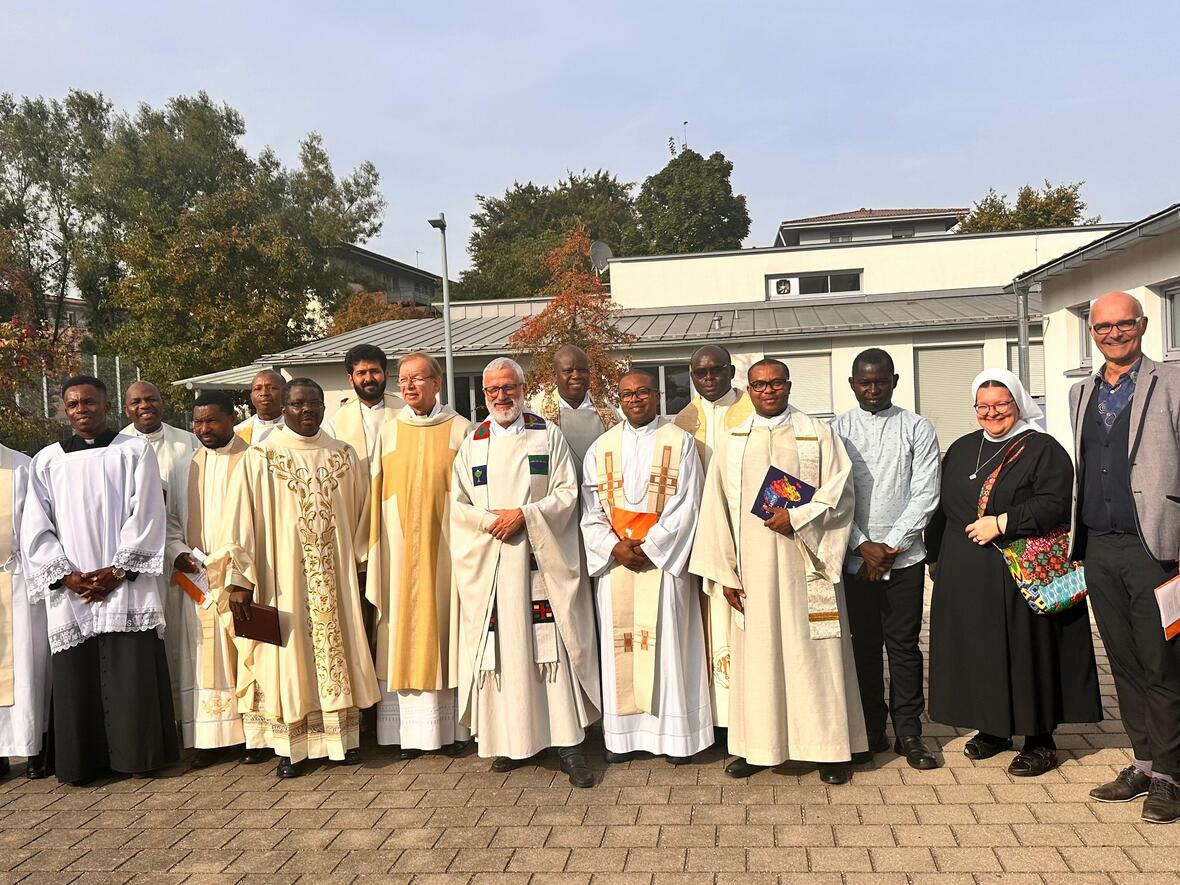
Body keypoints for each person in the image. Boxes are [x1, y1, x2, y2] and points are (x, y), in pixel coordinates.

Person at [690, 359, 867, 784]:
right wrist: (724, 573)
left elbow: (841, 493)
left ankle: (829, 750)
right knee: (760, 657)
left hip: (806, 565)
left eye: (775, 383)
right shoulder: (733, 440)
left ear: (789, 385)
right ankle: (760, 748)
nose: (768, 391)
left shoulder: (818, 433)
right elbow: (713, 507)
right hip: (752, 570)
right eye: (759, 385)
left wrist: (799, 516)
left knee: (816, 657)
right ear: (748, 389)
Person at [926, 369, 1101, 778]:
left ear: (1018, 403)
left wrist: (1003, 521)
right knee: (981, 651)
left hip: (1019, 571)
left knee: (1026, 651)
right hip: (967, 571)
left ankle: (1040, 741)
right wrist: (935, 556)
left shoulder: (1042, 449)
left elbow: (1058, 503)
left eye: (1001, 404)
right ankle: (994, 728)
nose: (992, 413)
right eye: (983, 406)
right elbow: (943, 507)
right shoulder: (963, 447)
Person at [209, 378, 380, 778]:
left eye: (314, 404)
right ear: (283, 408)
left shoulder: (345, 456)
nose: (307, 411)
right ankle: (291, 746)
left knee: (336, 652)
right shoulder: (261, 457)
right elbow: (240, 524)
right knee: (288, 657)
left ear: (324, 408)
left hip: (335, 579)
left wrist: (360, 570)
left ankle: (342, 741)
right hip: (281, 579)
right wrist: (239, 580)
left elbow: (362, 520)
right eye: (298, 404)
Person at [22, 375, 179, 785]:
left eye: (88, 402)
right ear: (64, 408)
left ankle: (137, 756)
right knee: (77, 676)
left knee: (131, 670)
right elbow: (36, 527)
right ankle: (82, 762)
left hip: (125, 582)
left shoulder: (134, 451)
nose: (80, 410)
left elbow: (146, 513)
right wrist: (66, 576)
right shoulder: (47, 460)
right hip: (72, 588)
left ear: (105, 404)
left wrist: (118, 570)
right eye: (72, 404)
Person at [451, 357, 600, 788]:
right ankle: (513, 741)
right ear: (484, 395)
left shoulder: (546, 435)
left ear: (523, 387)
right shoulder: (472, 443)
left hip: (540, 565)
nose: (502, 396)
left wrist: (526, 515)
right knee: (505, 652)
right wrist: (489, 523)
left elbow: (568, 494)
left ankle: (569, 745)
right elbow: (458, 507)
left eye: (509, 387)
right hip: (494, 564)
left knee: (550, 647)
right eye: (493, 390)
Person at [1070, 291, 1180, 823]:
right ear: (1092, 333)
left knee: (1164, 664)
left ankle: (1170, 775)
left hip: (1155, 548)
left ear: (1141, 325)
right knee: (1125, 662)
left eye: (1123, 324)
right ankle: (1142, 761)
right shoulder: (1080, 392)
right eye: (1102, 327)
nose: (1113, 334)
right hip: (1098, 547)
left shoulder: (1172, 382)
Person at [581, 368, 712, 764]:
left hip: (661, 565)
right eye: (626, 394)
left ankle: (675, 737)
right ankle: (622, 738)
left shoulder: (681, 442)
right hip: (618, 564)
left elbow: (688, 503)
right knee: (620, 645)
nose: (634, 400)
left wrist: (651, 546)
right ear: (618, 400)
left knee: (668, 647)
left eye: (642, 393)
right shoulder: (600, 447)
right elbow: (589, 510)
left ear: (657, 396)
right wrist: (614, 547)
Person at [830, 349, 941, 770]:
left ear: (894, 381)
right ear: (852, 383)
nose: (872, 389)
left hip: (905, 560)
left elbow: (926, 494)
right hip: (853, 560)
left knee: (905, 648)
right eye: (864, 381)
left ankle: (909, 732)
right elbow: (832, 495)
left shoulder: (917, 428)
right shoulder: (836, 430)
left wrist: (889, 546)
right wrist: (862, 545)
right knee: (862, 648)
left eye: (880, 381)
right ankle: (870, 730)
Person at [366, 352, 471, 759]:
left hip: (446, 551)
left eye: (418, 379)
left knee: (447, 628)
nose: (409, 386)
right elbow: (376, 494)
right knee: (400, 629)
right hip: (398, 549)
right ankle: (406, 733)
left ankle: (453, 730)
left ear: (437, 383)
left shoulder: (462, 430)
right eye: (403, 379)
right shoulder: (390, 432)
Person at [167, 391, 265, 768]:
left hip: (242, 576)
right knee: (200, 657)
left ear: (231, 418)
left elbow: (262, 521)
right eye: (198, 422)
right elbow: (171, 521)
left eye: (212, 420)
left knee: (248, 654)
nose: (204, 429)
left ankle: (253, 736)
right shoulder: (184, 466)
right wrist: (179, 551)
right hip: (197, 579)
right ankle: (206, 739)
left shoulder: (254, 461)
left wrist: (239, 567)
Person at [673, 344, 754, 735]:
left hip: (748, 534)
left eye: (716, 371)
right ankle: (717, 720)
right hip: (699, 538)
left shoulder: (755, 409)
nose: (708, 378)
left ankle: (751, 714)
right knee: (708, 628)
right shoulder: (682, 421)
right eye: (700, 373)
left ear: (731, 371)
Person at [120, 379, 200, 717]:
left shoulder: (188, 442)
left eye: (150, 399)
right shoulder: (117, 446)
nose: (144, 406)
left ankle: (187, 715)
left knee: (185, 637)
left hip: (180, 555)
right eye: (136, 401)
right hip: (136, 560)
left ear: (162, 403)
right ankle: (157, 716)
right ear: (127, 408)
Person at [0, 443, 52, 779]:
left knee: (30, 670)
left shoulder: (21, 466)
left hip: (16, 580)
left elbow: (35, 527)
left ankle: (35, 748)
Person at [323, 344, 405, 478]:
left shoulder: (406, 412)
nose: (369, 378)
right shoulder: (336, 423)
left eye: (375, 371)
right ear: (350, 379)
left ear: (386, 375)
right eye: (361, 373)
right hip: (357, 497)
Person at [541, 344, 616, 478]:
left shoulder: (608, 414)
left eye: (582, 370)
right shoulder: (538, 414)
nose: (576, 376)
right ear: (555, 375)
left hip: (599, 492)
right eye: (568, 371)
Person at [235, 370, 286, 445]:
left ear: (285, 393)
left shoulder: (297, 428)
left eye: (271, 388)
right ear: (251, 396)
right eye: (258, 389)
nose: (264, 393)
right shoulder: (238, 432)